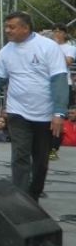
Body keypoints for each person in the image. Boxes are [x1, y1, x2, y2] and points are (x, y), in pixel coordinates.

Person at [0, 12, 68, 202]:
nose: (7, 30)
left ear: (25, 27)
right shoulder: (6, 51)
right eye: (6, 27)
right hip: (17, 112)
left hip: (45, 115)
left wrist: (59, 113)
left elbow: (59, 80)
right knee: (20, 157)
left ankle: (34, 196)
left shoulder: (48, 47)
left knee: (40, 161)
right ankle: (21, 200)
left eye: (12, 27)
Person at [50, 23, 76, 160]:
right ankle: (46, 146)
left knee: (60, 116)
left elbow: (68, 62)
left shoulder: (70, 47)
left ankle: (54, 147)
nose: (57, 34)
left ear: (65, 34)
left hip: (64, 84)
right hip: (48, 84)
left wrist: (55, 49)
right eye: (55, 31)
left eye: (60, 31)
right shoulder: (48, 46)